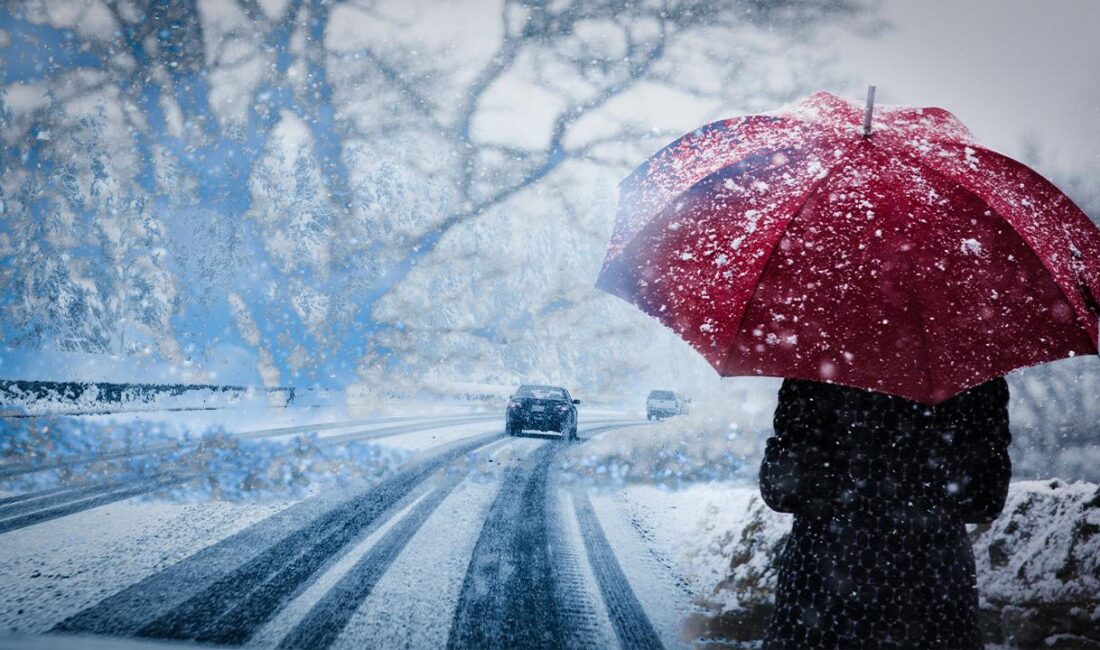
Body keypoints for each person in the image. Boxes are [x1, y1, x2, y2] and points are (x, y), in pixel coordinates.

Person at [759, 377, 1012, 649]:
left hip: (823, 595)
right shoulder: (968, 366)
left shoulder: (816, 365)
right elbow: (985, 500)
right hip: (934, 593)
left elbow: (782, 491)